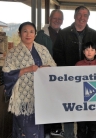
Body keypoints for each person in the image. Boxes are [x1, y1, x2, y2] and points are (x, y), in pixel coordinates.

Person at [53, 6, 96, 138]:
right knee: (70, 107)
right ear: (74, 16)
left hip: (90, 81)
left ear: (88, 18)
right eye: (79, 14)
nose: (82, 17)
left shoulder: (94, 34)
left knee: (88, 112)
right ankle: (69, 135)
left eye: (85, 15)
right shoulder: (63, 34)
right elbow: (57, 54)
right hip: (69, 79)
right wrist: (66, 74)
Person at [2, 22, 56, 138]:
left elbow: (53, 66)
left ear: (35, 34)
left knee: (38, 128)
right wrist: (27, 69)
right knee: (24, 129)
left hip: (40, 96)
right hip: (22, 99)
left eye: (31, 31)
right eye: (25, 31)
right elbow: (7, 74)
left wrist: (47, 68)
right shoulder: (13, 53)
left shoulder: (42, 50)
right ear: (19, 34)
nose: (28, 34)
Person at [35, 9, 64, 137]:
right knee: (46, 102)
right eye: (55, 18)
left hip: (60, 74)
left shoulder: (64, 34)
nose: (57, 21)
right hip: (45, 75)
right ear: (49, 18)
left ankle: (56, 128)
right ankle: (46, 130)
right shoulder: (40, 35)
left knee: (58, 101)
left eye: (59, 19)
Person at [75, 42, 96, 138]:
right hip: (81, 103)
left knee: (93, 128)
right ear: (83, 52)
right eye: (87, 50)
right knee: (81, 128)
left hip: (94, 103)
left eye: (92, 50)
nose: (89, 52)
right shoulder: (78, 65)